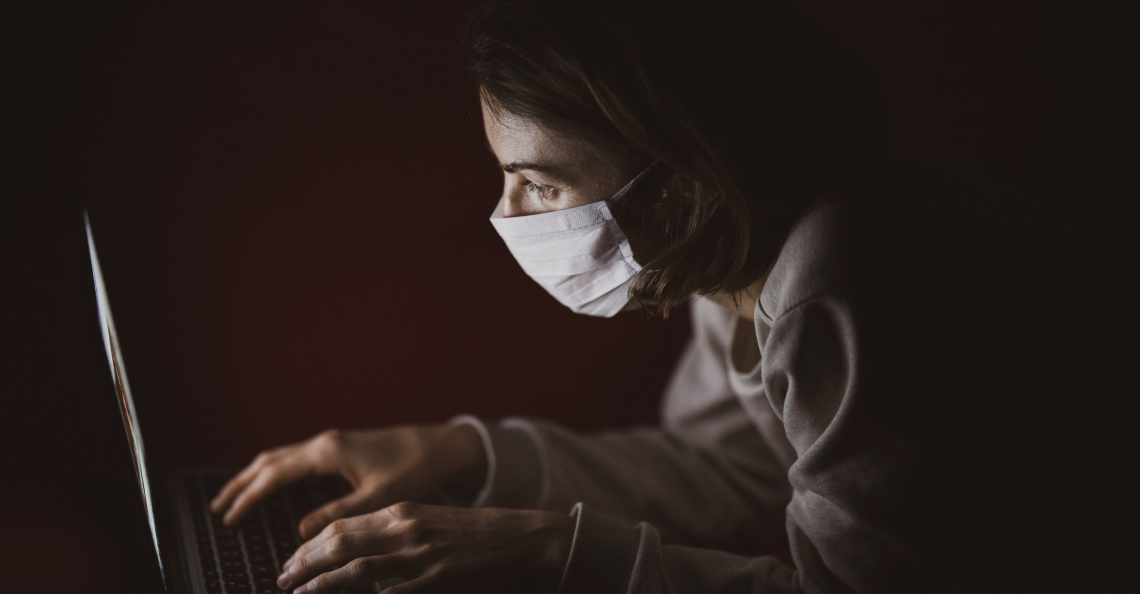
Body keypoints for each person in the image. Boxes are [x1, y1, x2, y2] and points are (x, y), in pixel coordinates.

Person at [210, 1, 1054, 592]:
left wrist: (545, 553)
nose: (505, 215)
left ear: (679, 174)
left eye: (537, 183)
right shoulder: (723, 253)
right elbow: (728, 471)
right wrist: (461, 452)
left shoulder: (834, 281)